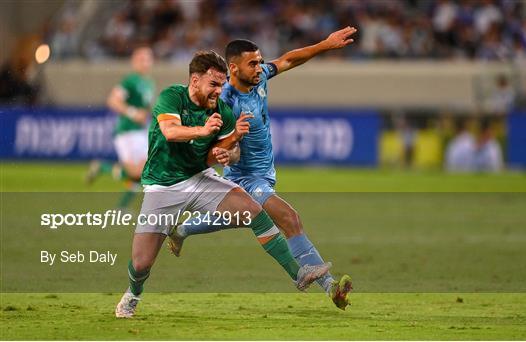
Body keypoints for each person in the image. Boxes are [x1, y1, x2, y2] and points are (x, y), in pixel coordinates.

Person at [115, 50, 330, 318]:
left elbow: (233, 151)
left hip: (200, 178)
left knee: (254, 211)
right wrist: (202, 131)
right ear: (195, 81)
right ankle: (133, 293)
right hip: (163, 186)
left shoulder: (221, 110)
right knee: (142, 263)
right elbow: (170, 132)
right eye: (214, 84)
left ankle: (298, 274)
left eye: (222, 83)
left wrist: (228, 153)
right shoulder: (172, 97)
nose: (220, 90)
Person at [168, 27, 357, 310]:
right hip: (244, 178)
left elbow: (290, 59)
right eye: (253, 63)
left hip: (264, 174)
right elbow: (222, 151)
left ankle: (181, 230)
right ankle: (330, 287)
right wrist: (231, 149)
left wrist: (326, 45)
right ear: (233, 68)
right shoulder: (224, 103)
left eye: (260, 61)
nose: (260, 68)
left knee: (235, 218)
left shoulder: (261, 78)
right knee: (289, 218)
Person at [86, 47, 155, 209]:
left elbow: (145, 108)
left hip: (141, 131)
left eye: (148, 59)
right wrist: (132, 113)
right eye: (142, 59)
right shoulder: (130, 81)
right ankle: (103, 168)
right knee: (136, 173)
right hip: (127, 131)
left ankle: (122, 208)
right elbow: (112, 100)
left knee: (146, 171)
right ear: (134, 61)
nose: (146, 62)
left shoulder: (149, 82)